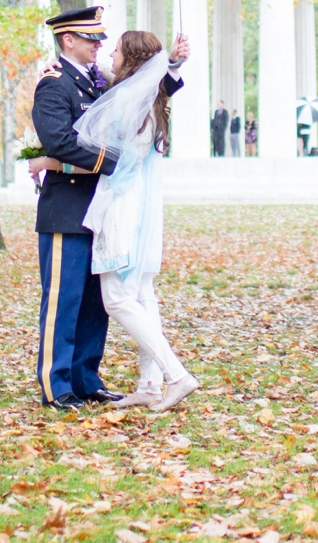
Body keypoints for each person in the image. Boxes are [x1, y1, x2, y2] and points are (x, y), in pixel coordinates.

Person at [26, 5, 189, 410]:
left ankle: (86, 378)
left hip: (101, 208)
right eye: (91, 38)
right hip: (68, 208)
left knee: (94, 305)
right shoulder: (54, 84)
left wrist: (170, 64)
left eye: (102, 40)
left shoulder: (98, 82)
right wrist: (117, 162)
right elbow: (61, 141)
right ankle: (57, 385)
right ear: (68, 40)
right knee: (63, 301)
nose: (99, 45)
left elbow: (140, 95)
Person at [75, 30, 199, 413]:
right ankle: (149, 383)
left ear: (130, 60)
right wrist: (173, 62)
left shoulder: (128, 99)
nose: (109, 54)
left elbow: (93, 147)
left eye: (115, 50)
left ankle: (176, 375)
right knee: (143, 293)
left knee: (116, 298)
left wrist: (46, 159)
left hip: (122, 203)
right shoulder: (148, 98)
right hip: (141, 200)